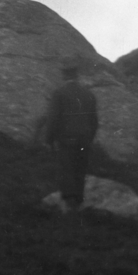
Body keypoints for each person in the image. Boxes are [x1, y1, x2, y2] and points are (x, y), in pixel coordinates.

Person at [43, 57, 99, 211]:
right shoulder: (88, 94)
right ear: (76, 75)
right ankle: (79, 202)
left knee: (66, 168)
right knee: (80, 169)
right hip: (84, 140)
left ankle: (69, 206)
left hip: (66, 139)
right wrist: (89, 138)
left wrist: (48, 140)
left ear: (64, 75)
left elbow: (53, 119)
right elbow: (94, 121)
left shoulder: (59, 93)